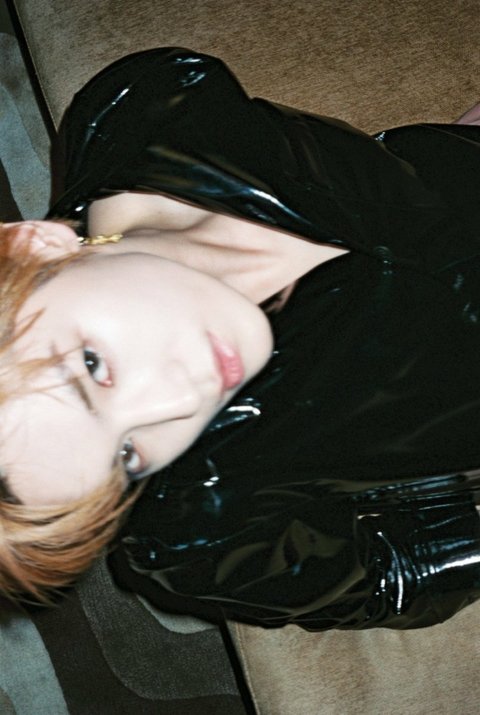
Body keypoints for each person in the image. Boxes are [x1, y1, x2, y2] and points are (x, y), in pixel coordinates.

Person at [0, 47, 479, 628]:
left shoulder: (148, 108)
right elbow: (388, 579)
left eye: (94, 367)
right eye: (127, 457)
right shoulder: (192, 531)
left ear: (36, 246)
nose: (181, 401)